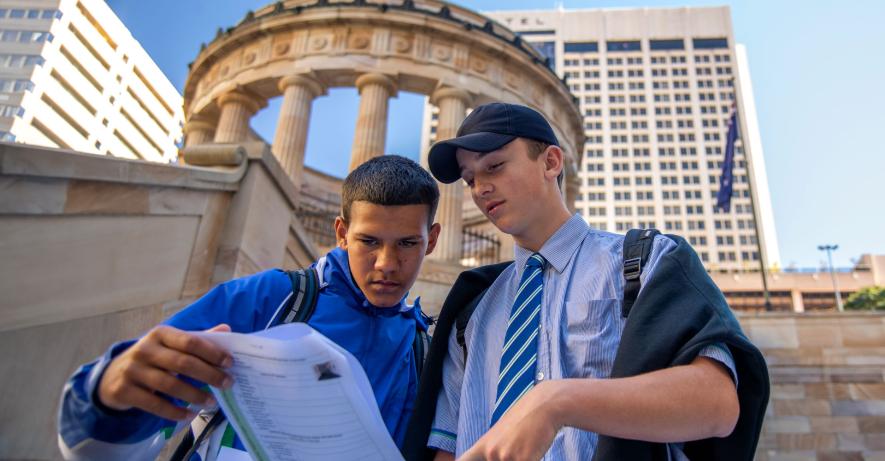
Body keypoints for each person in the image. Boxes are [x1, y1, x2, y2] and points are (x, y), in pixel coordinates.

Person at [403, 103, 768, 461]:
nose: (481, 188)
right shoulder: (471, 311)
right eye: (470, 179)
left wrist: (556, 402)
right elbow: (447, 447)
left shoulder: (646, 262)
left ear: (550, 162)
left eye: (494, 166)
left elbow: (717, 402)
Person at [58, 155, 442, 460]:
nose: (387, 264)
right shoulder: (274, 298)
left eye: (408, 243)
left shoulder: (423, 347)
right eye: (369, 241)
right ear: (341, 234)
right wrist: (107, 398)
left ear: (432, 240)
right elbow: (121, 434)